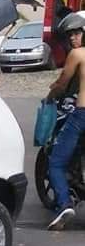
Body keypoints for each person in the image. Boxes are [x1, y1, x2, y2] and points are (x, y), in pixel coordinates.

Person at [46, 14, 85, 230]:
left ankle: (64, 205)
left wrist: (50, 95)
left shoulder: (78, 54)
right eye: (70, 35)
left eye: (77, 33)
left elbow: (62, 83)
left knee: (56, 162)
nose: (73, 38)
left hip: (82, 115)